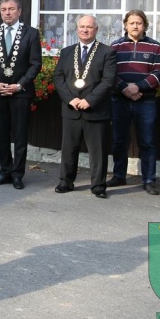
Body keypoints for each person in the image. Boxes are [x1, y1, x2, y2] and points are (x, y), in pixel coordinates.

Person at [0, 0, 42, 189]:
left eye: (11, 9)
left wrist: (19, 85)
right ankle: (4, 171)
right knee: (1, 134)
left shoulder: (31, 34)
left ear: (19, 11)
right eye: (4, 9)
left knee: (20, 135)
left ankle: (17, 174)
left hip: (20, 93)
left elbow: (35, 64)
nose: (7, 13)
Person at [53, 15, 117, 198]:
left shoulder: (107, 52)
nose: (85, 30)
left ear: (96, 29)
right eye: (82, 27)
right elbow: (58, 77)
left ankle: (98, 185)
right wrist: (70, 99)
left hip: (96, 110)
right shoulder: (67, 52)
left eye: (89, 27)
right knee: (69, 149)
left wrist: (90, 100)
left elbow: (108, 80)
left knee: (98, 152)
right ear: (77, 29)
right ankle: (66, 181)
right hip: (71, 109)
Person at [108, 10, 160, 195]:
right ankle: (119, 175)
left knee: (147, 141)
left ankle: (149, 180)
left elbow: (158, 74)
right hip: (119, 99)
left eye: (139, 23)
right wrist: (125, 88)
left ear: (144, 25)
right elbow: (110, 73)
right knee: (119, 140)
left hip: (145, 101)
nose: (135, 26)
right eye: (131, 23)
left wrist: (137, 87)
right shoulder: (115, 46)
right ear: (125, 25)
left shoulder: (155, 47)